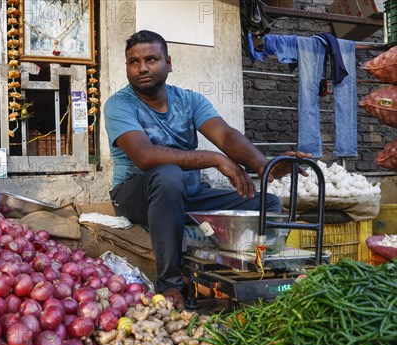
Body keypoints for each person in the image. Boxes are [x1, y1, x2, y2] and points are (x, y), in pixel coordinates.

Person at [104, 30, 308, 309]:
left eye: (151, 59)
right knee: (168, 175)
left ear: (169, 63)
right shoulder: (119, 104)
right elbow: (144, 156)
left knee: (266, 203)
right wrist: (215, 159)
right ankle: (171, 284)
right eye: (133, 62)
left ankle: (256, 272)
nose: (142, 68)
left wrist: (262, 165)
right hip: (134, 194)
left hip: (188, 194)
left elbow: (225, 135)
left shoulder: (190, 101)